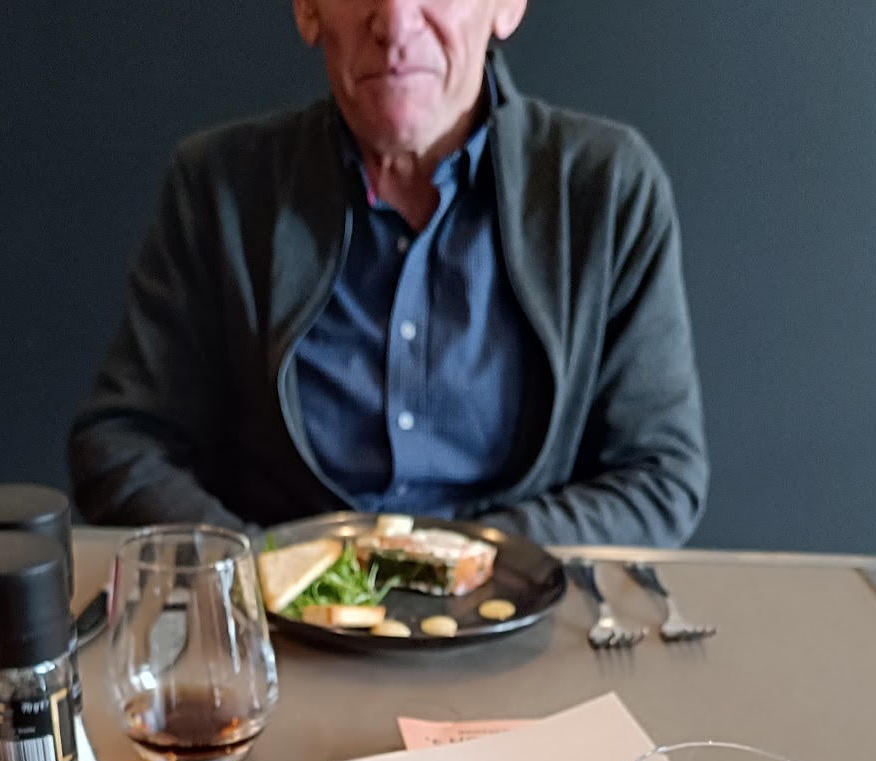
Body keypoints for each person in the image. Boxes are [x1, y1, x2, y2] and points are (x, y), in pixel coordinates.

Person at [68, 0, 708, 548]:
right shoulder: (220, 187)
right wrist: (256, 571)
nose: (397, 22)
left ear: (507, 6)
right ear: (307, 9)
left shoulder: (607, 187)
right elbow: (120, 444)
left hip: (521, 619)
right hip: (273, 629)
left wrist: (482, 560)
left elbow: (658, 477)